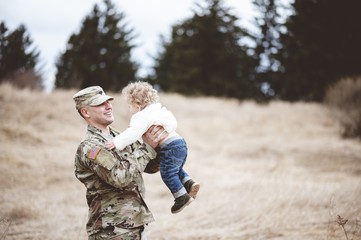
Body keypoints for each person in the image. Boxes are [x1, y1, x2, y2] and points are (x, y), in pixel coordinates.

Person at [73, 85, 166, 239]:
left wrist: (159, 147)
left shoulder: (118, 135)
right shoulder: (91, 147)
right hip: (111, 230)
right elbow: (121, 177)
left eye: (108, 102)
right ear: (85, 112)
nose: (108, 106)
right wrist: (147, 148)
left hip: (134, 224)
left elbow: (144, 166)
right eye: (100, 104)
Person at [105, 81, 200, 214]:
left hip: (169, 146)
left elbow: (132, 134)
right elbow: (173, 122)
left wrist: (116, 142)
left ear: (137, 106)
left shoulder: (141, 117)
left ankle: (181, 197)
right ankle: (189, 183)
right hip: (180, 142)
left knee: (167, 173)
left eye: (129, 105)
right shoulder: (159, 110)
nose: (128, 108)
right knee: (175, 168)